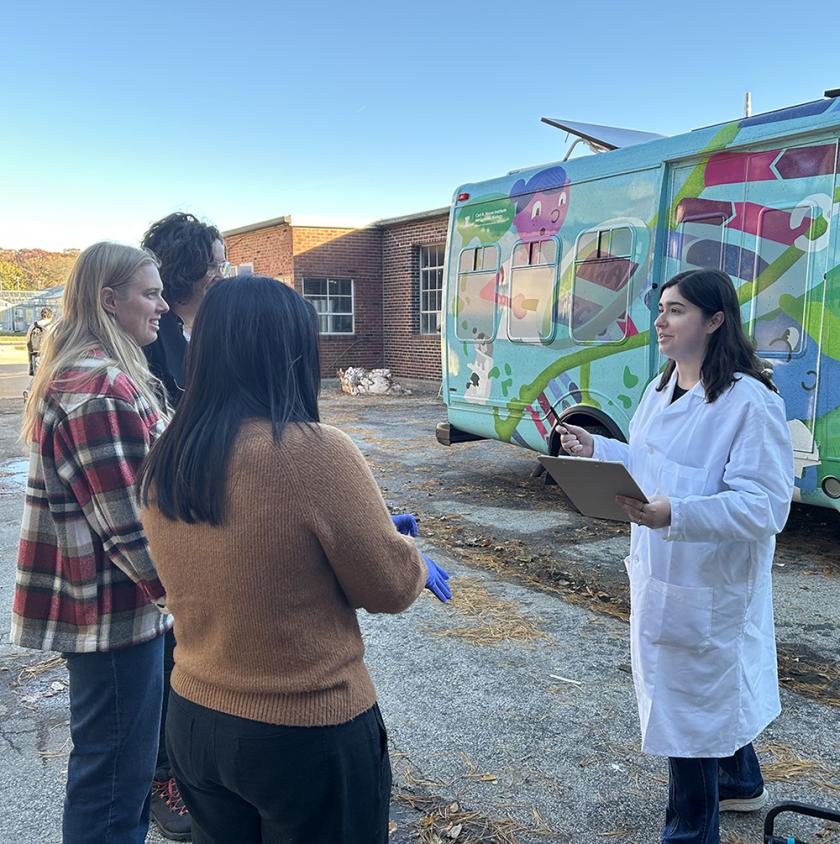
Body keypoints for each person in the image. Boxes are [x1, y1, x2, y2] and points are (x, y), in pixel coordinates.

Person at [138, 275, 451, 844]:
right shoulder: (316, 451)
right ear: (293, 353)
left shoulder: (167, 454)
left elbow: (233, 557)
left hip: (195, 716)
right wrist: (413, 558)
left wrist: (365, 530)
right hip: (303, 727)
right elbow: (386, 588)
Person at [558, 268, 793, 844]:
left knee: (687, 709)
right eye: (661, 308)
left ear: (715, 321)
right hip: (660, 575)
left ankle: (690, 833)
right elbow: (648, 461)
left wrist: (678, 514)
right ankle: (741, 782)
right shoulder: (659, 391)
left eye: (677, 310)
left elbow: (765, 506)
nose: (660, 321)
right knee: (700, 698)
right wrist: (598, 449)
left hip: (711, 586)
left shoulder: (749, 403)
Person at [12, 243, 171, 843]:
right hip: (113, 615)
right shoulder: (98, 389)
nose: (162, 307)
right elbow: (132, 528)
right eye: (149, 294)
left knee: (117, 773)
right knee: (113, 783)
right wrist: (192, 595)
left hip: (118, 612)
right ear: (109, 300)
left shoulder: (103, 375)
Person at [140, 211, 227, 839]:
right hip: (163, 518)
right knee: (171, 651)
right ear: (192, 271)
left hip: (193, 506)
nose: (223, 272)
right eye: (217, 262)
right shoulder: (156, 339)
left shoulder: (192, 331)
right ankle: (163, 778)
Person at [141, 212, 227, 406]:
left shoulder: (223, 329)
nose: (221, 276)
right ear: (183, 268)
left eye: (222, 266)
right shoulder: (148, 336)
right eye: (211, 266)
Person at [26, 306, 54, 375]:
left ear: (41, 315)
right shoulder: (53, 326)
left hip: (36, 354)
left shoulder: (33, 325)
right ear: (51, 315)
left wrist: (30, 357)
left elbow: (28, 341)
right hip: (48, 355)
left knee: (37, 378)